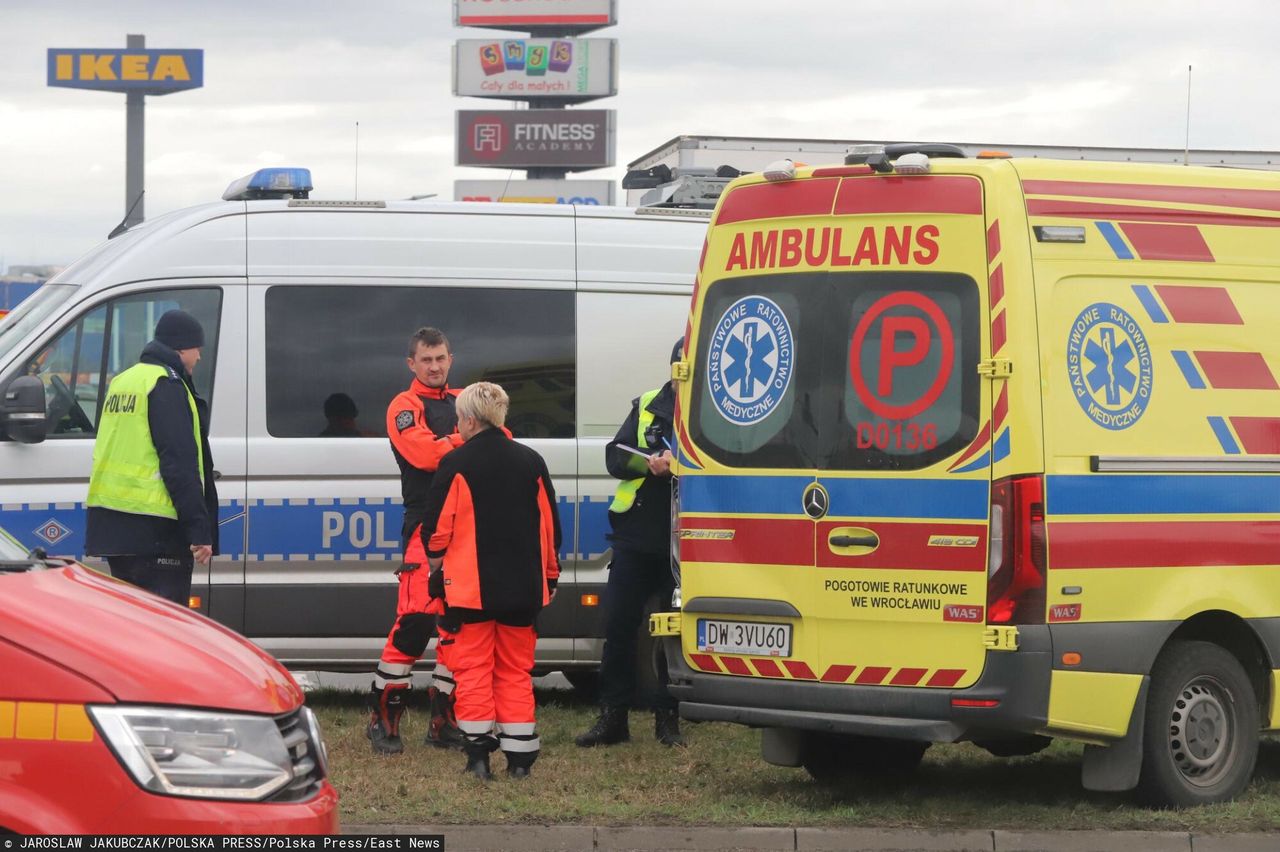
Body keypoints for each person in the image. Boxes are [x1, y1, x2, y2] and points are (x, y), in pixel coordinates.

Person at [419, 382, 561, 780]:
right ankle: (519, 759)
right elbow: (551, 529)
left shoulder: (457, 464)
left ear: (467, 420)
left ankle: (478, 758)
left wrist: (437, 566)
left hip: (469, 592)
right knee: (515, 671)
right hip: (523, 591)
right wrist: (548, 577)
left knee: (474, 671)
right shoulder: (532, 461)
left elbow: (435, 534)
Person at [576, 338, 684, 749]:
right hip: (637, 534)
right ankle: (613, 717)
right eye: (678, 363)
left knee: (672, 634)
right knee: (618, 626)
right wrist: (650, 461)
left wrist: (682, 466)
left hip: (683, 540)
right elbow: (614, 458)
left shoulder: (711, 407)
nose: (681, 372)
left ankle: (667, 719)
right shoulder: (648, 403)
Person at [367, 327, 466, 755]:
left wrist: (453, 441)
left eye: (441, 358)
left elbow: (500, 436)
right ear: (412, 364)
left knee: (456, 629)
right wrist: (467, 439)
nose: (435, 366)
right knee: (414, 624)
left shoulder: (464, 399)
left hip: (465, 530)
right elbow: (424, 456)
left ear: (450, 358)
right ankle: (383, 720)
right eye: (426, 360)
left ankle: (443, 723)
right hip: (424, 529)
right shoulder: (404, 406)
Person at [85, 309, 217, 605]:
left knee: (130, 629)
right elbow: (179, 463)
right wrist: (199, 530)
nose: (199, 357)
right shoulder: (165, 384)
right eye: (198, 349)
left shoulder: (123, 382)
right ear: (182, 347)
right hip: (156, 534)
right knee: (164, 634)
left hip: (114, 529)